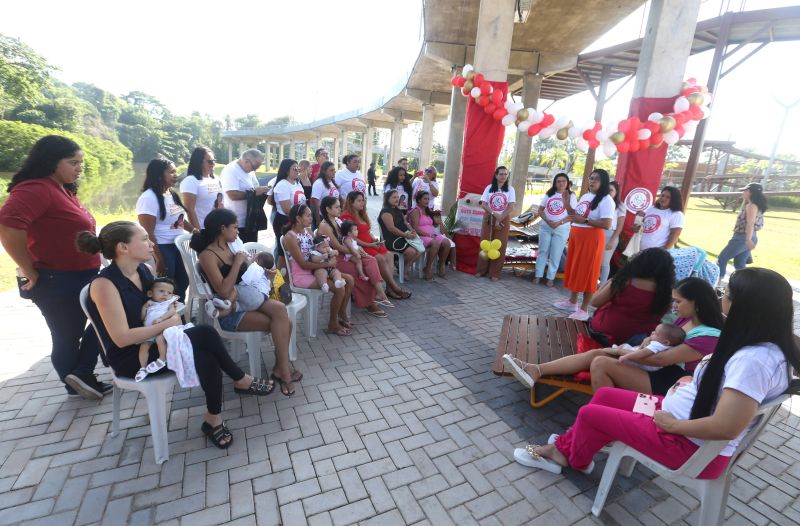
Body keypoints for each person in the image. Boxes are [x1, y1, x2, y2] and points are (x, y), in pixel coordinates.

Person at [513, 267, 799, 482]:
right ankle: (574, 448)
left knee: (590, 415)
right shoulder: (766, 342)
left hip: (683, 441)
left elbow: (727, 426)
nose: (722, 298)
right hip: (673, 413)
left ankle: (567, 456)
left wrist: (672, 426)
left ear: (744, 307)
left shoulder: (755, 361)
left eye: (727, 295)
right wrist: (693, 383)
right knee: (605, 396)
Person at [79, 222, 274, 448]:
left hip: (159, 341)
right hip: (133, 357)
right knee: (206, 334)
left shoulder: (144, 271)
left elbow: (158, 306)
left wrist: (170, 317)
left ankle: (214, 417)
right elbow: (122, 338)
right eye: (144, 239)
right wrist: (171, 322)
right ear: (123, 247)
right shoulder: (104, 284)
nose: (151, 243)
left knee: (207, 353)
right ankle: (240, 381)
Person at [0, 135, 108, 399]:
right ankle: (78, 381)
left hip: (83, 274)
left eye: (80, 162)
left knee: (105, 319)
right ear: (51, 162)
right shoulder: (35, 188)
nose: (79, 167)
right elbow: (7, 226)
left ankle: (81, 375)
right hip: (57, 278)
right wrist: (29, 269)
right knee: (67, 335)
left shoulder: (62, 188)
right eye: (73, 162)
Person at [192, 209, 299, 396]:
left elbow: (246, 276)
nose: (237, 231)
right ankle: (283, 370)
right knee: (284, 322)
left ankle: (280, 368)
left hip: (246, 300)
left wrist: (263, 274)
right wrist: (236, 263)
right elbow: (224, 290)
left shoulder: (230, 246)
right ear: (222, 228)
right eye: (234, 227)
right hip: (231, 312)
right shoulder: (207, 255)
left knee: (282, 313)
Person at [283, 204, 359, 333]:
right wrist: (327, 264)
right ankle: (332, 324)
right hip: (302, 275)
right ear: (298, 218)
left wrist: (329, 254)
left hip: (316, 269)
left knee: (350, 280)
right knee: (339, 288)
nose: (311, 218)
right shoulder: (290, 237)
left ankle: (341, 314)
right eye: (308, 215)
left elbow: (318, 249)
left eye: (311, 215)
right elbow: (303, 265)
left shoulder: (307, 232)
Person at [318, 196, 397, 314]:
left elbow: (349, 238)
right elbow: (338, 247)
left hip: (348, 254)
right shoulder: (325, 226)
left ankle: (380, 292)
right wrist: (355, 251)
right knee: (360, 273)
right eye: (337, 207)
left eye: (339, 206)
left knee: (371, 260)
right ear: (328, 209)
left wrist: (358, 249)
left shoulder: (337, 221)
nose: (340, 209)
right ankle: (370, 303)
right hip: (336, 258)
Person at [553, 169, 614, 320]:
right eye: (591, 178)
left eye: (596, 179)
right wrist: (567, 205)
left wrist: (586, 221)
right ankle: (572, 302)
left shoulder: (606, 200)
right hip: (577, 237)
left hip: (591, 239)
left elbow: (607, 223)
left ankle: (584, 309)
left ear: (604, 182)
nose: (592, 181)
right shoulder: (586, 196)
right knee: (575, 268)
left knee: (588, 272)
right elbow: (577, 215)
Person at [135, 158, 196, 301]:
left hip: (177, 246)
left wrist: (194, 230)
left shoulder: (171, 193)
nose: (175, 175)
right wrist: (159, 258)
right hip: (162, 247)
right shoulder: (148, 198)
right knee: (166, 286)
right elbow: (147, 232)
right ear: (158, 175)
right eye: (171, 172)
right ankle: (166, 318)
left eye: (175, 172)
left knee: (183, 281)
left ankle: (178, 315)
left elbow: (179, 219)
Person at [341, 191, 410, 302]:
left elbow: (367, 231)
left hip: (370, 243)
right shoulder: (346, 216)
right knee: (380, 259)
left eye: (363, 200)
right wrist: (370, 244)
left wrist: (373, 239)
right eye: (359, 200)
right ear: (351, 202)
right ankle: (395, 288)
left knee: (389, 255)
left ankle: (389, 289)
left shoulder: (361, 213)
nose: (362, 202)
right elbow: (351, 238)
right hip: (360, 245)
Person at [533, 173, 576, 287]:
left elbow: (573, 214)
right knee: (543, 251)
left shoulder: (571, 195)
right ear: (555, 183)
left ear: (567, 183)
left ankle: (551, 278)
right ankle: (538, 275)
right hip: (546, 228)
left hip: (561, 229)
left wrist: (559, 222)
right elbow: (540, 210)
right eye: (559, 181)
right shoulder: (550, 194)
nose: (561, 183)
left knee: (555, 254)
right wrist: (548, 221)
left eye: (563, 181)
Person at [717, 182, 767, 279]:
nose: (743, 192)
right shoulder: (756, 205)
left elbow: (750, 223)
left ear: (751, 192)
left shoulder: (751, 206)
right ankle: (743, 286)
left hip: (743, 237)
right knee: (739, 264)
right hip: (751, 236)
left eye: (745, 190)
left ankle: (717, 283)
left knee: (722, 258)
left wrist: (748, 240)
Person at [475, 166, 516, 281]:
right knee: (485, 243)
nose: (504, 176)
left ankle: (495, 273)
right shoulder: (489, 188)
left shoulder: (510, 189)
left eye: (505, 174)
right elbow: (484, 204)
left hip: (503, 220)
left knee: (500, 245)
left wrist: (500, 218)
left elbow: (511, 206)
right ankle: (481, 270)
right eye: (501, 174)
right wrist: (495, 214)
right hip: (489, 218)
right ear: (496, 175)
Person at [220, 149, 268, 243]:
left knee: (251, 250)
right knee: (239, 252)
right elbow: (232, 195)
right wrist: (254, 193)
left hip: (250, 220)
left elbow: (255, 187)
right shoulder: (231, 170)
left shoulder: (250, 171)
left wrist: (262, 190)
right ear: (246, 161)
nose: (255, 170)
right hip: (236, 223)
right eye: (255, 167)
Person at [135, 277, 179, 381]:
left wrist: (161, 318)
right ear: (150, 293)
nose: (165, 294)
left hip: (163, 329)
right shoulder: (149, 303)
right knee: (144, 346)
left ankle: (162, 359)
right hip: (149, 331)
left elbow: (172, 312)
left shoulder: (169, 303)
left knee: (160, 339)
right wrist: (144, 308)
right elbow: (142, 318)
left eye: (169, 293)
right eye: (161, 291)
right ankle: (142, 368)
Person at [378, 190, 424, 284]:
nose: (397, 199)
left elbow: (405, 222)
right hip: (392, 239)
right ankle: (402, 267)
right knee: (412, 251)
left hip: (404, 236)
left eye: (397, 197)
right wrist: (406, 235)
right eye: (394, 197)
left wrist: (412, 230)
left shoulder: (397, 209)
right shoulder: (385, 212)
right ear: (387, 199)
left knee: (420, 249)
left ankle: (404, 267)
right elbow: (391, 229)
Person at [271, 159, 307, 267]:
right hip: (284, 221)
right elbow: (287, 209)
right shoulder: (282, 185)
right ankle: (277, 282)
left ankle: (291, 277)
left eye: (298, 168)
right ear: (286, 170)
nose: (297, 171)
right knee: (283, 253)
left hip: (297, 221)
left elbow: (303, 203)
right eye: (294, 168)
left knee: (297, 249)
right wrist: (301, 218)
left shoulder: (297, 183)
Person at [407, 191, 450, 279]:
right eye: (425, 199)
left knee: (446, 242)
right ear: (419, 200)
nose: (427, 201)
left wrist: (439, 218)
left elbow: (436, 224)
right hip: (420, 236)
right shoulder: (416, 211)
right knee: (435, 243)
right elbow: (415, 228)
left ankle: (441, 265)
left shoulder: (428, 210)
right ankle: (428, 267)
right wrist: (428, 235)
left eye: (428, 199)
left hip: (430, 235)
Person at [612, 323, 686, 372]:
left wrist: (626, 356)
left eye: (656, 333)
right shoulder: (669, 346)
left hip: (645, 365)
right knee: (625, 346)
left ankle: (616, 350)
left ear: (666, 342)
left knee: (624, 348)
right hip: (653, 366)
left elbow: (642, 353)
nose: (652, 332)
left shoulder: (657, 345)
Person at [180, 146, 222, 229]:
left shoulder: (216, 179)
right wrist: (198, 231)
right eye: (210, 161)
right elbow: (189, 209)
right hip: (203, 228)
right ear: (199, 162)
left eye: (214, 161)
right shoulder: (191, 181)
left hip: (219, 227)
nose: (213, 164)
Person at [634, 186, 684, 251]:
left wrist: (664, 250)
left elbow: (675, 234)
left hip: (659, 253)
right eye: (662, 195)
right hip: (641, 250)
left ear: (674, 199)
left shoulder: (676, 214)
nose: (663, 198)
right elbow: (642, 226)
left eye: (668, 197)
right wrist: (636, 226)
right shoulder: (651, 209)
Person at [599, 180, 627, 284]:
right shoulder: (600, 202)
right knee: (594, 261)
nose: (608, 192)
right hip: (598, 233)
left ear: (616, 192)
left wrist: (612, 240)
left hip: (610, 234)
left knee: (605, 263)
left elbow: (620, 225)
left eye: (611, 190)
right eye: (607, 190)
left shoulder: (620, 206)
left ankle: (601, 286)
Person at [310, 161, 340, 227]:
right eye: (331, 170)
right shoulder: (319, 183)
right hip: (323, 217)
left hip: (333, 217)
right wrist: (318, 220)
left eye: (334, 170)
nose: (334, 172)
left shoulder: (332, 182)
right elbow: (315, 203)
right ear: (324, 171)